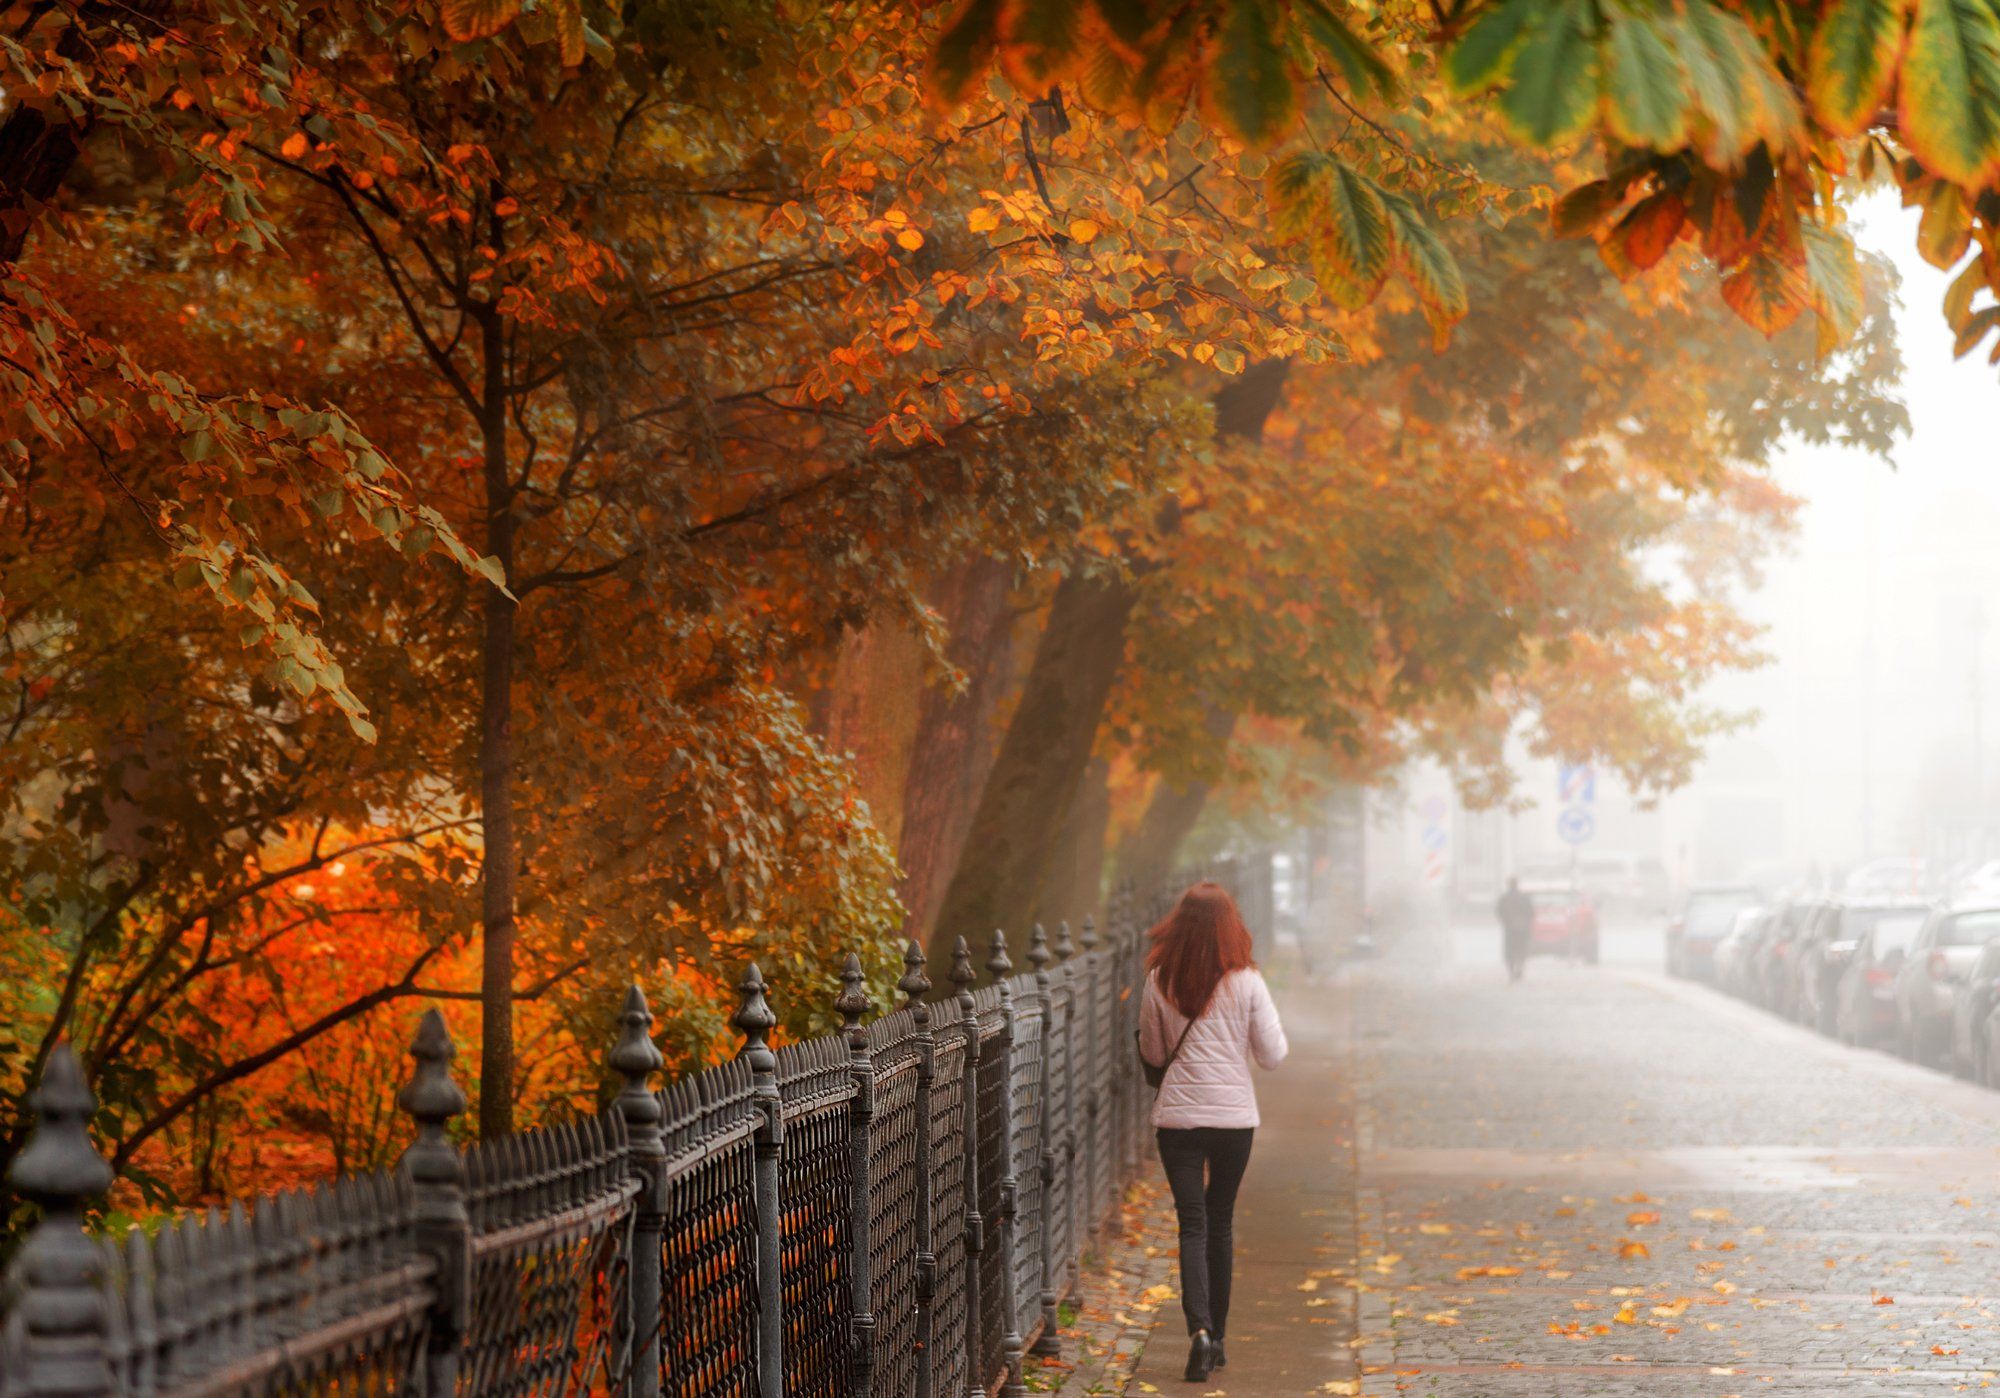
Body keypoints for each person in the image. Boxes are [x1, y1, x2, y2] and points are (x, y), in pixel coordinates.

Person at [1137, 882, 1289, 1381]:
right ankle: (1217, 1339)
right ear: (1232, 926)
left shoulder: (1159, 979)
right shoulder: (1247, 981)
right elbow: (1272, 1055)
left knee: (1192, 1223)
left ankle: (1198, 1331)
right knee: (1220, 1222)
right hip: (1232, 1122)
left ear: (1177, 924)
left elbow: (1155, 1055)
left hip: (1178, 1123)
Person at [1496, 876, 1534, 981]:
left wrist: (1506, 922)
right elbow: (1531, 912)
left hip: (1510, 929)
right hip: (1522, 928)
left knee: (1510, 950)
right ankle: (1520, 967)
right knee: (1521, 949)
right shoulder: (1524, 898)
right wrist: (1526, 922)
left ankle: (1512, 971)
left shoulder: (1504, 898)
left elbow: (1499, 912)